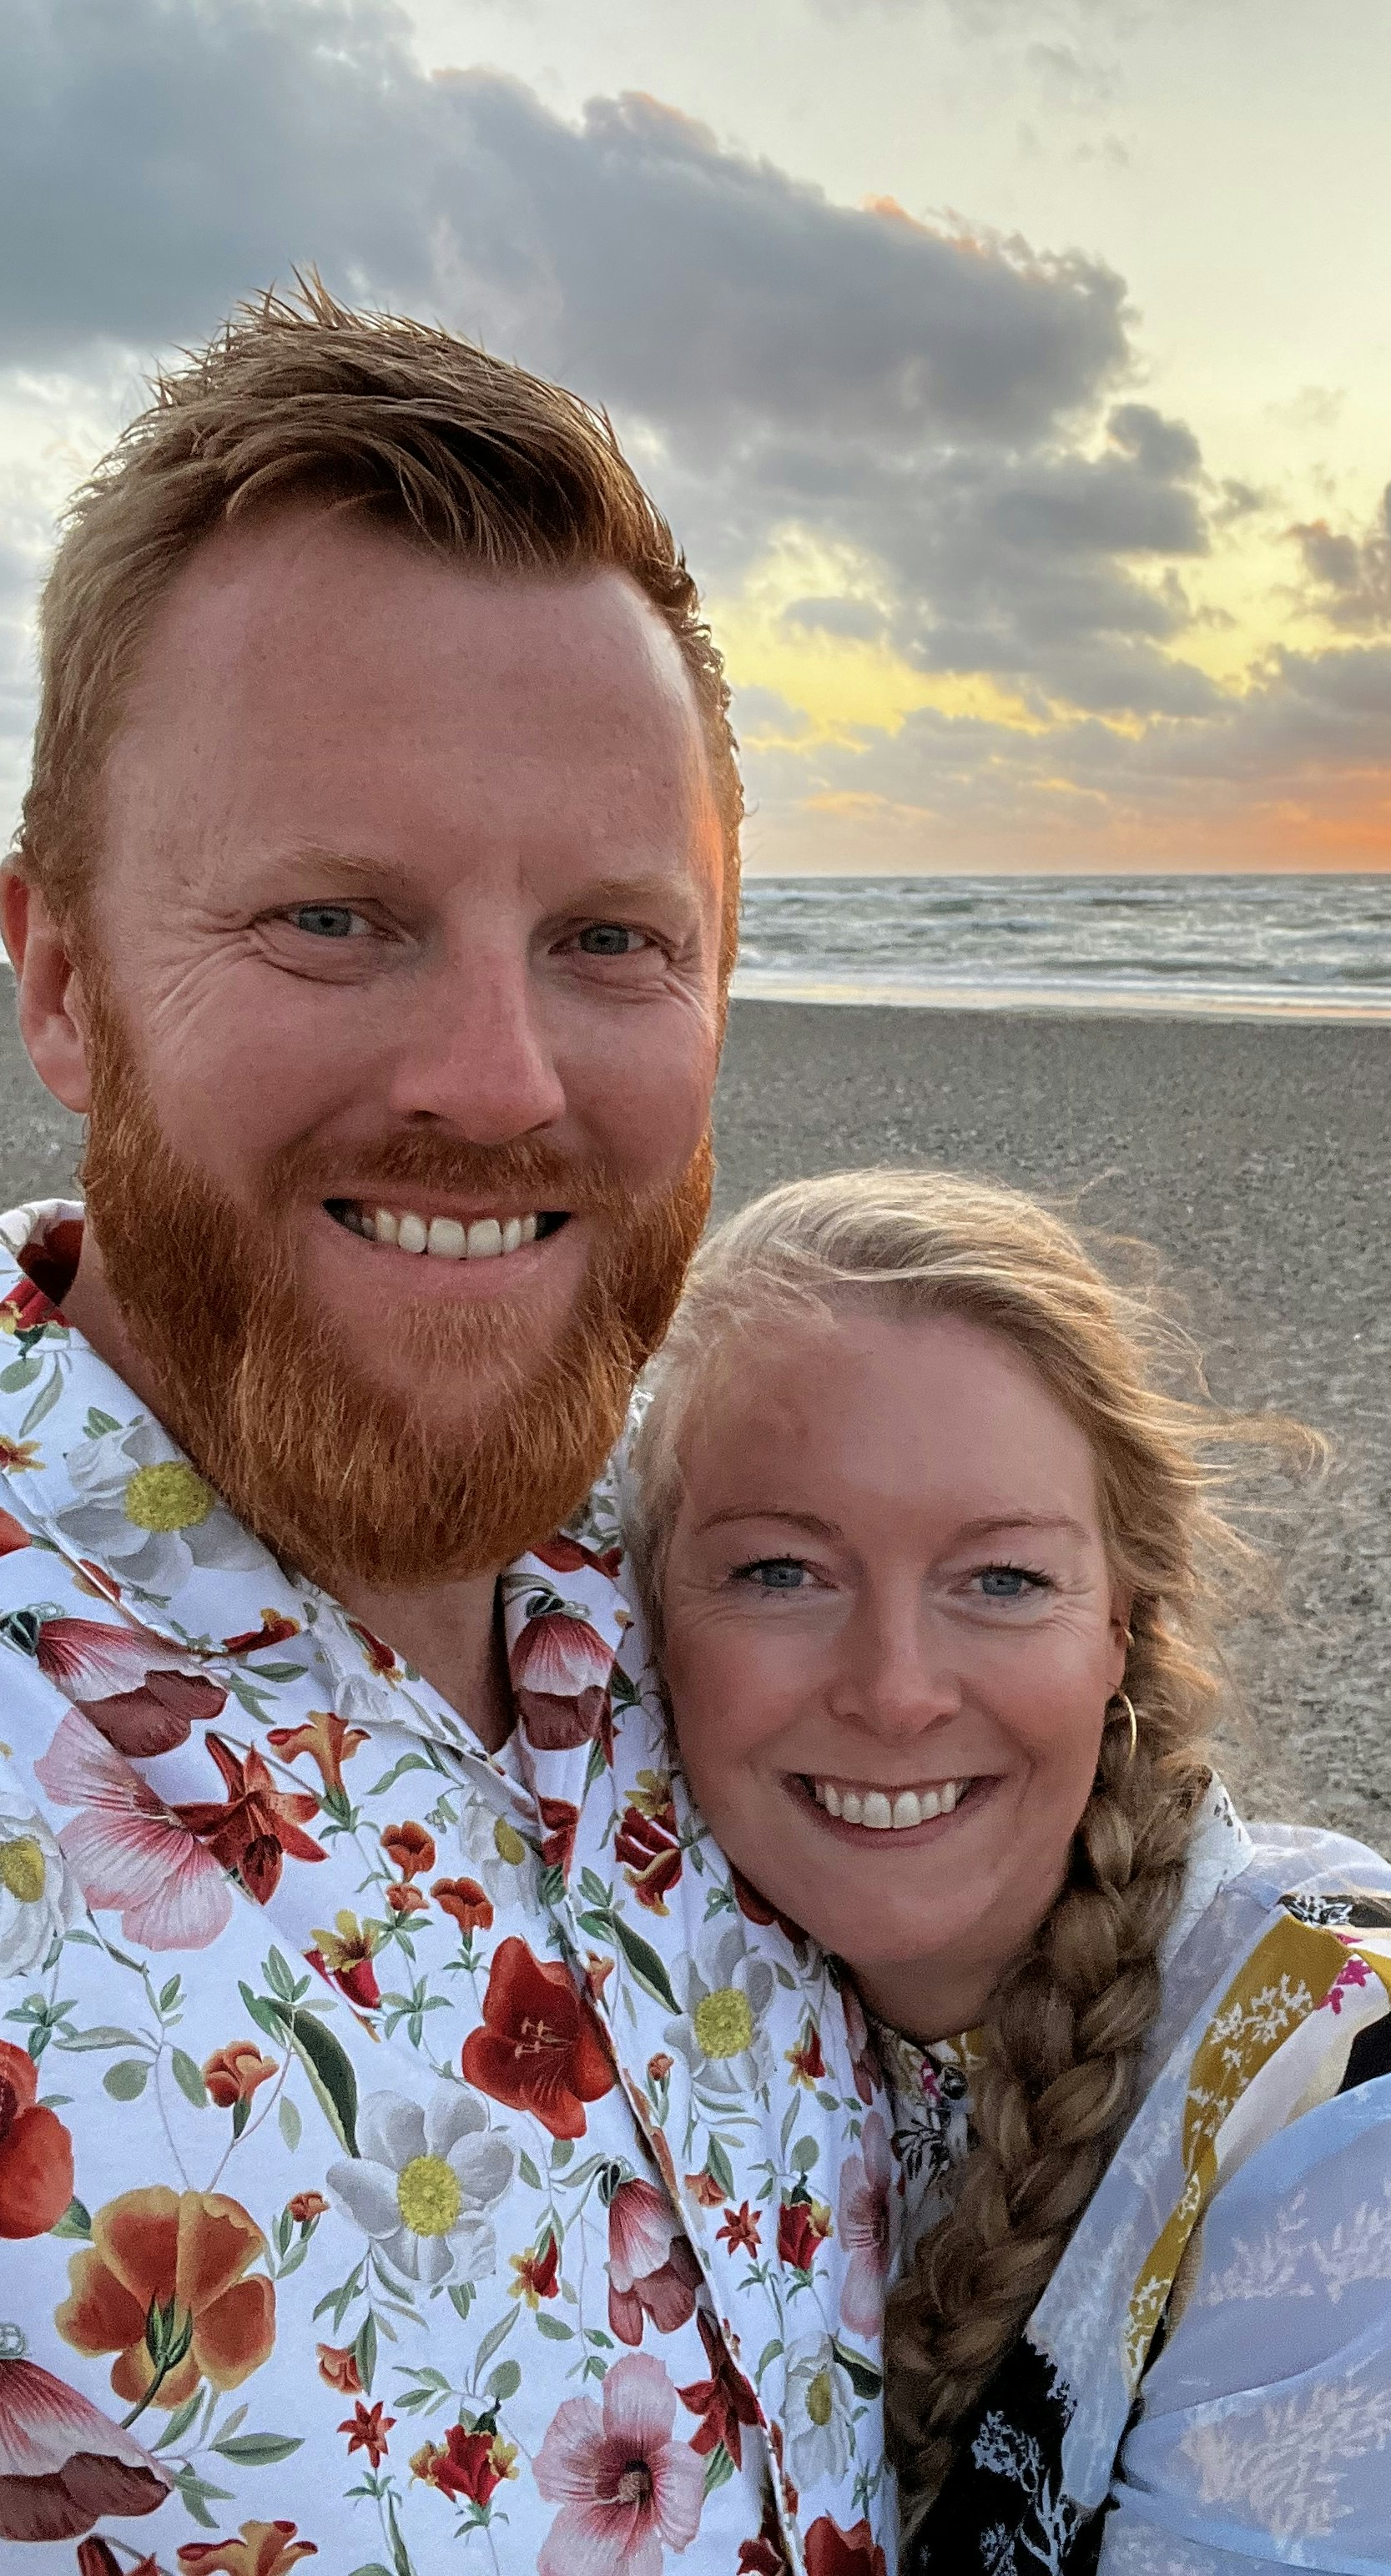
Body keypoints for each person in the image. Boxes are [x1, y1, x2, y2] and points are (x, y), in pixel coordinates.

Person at [0, 287, 888, 2573]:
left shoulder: (739, 1570)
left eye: (610, 940)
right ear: (63, 979)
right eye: (333, 918)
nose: (496, 1085)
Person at [628, 1168, 1391, 2576]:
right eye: (781, 1572)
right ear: (642, 1621)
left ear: (1120, 1629)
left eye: (1002, 1580)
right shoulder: (657, 2020)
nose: (894, 1693)